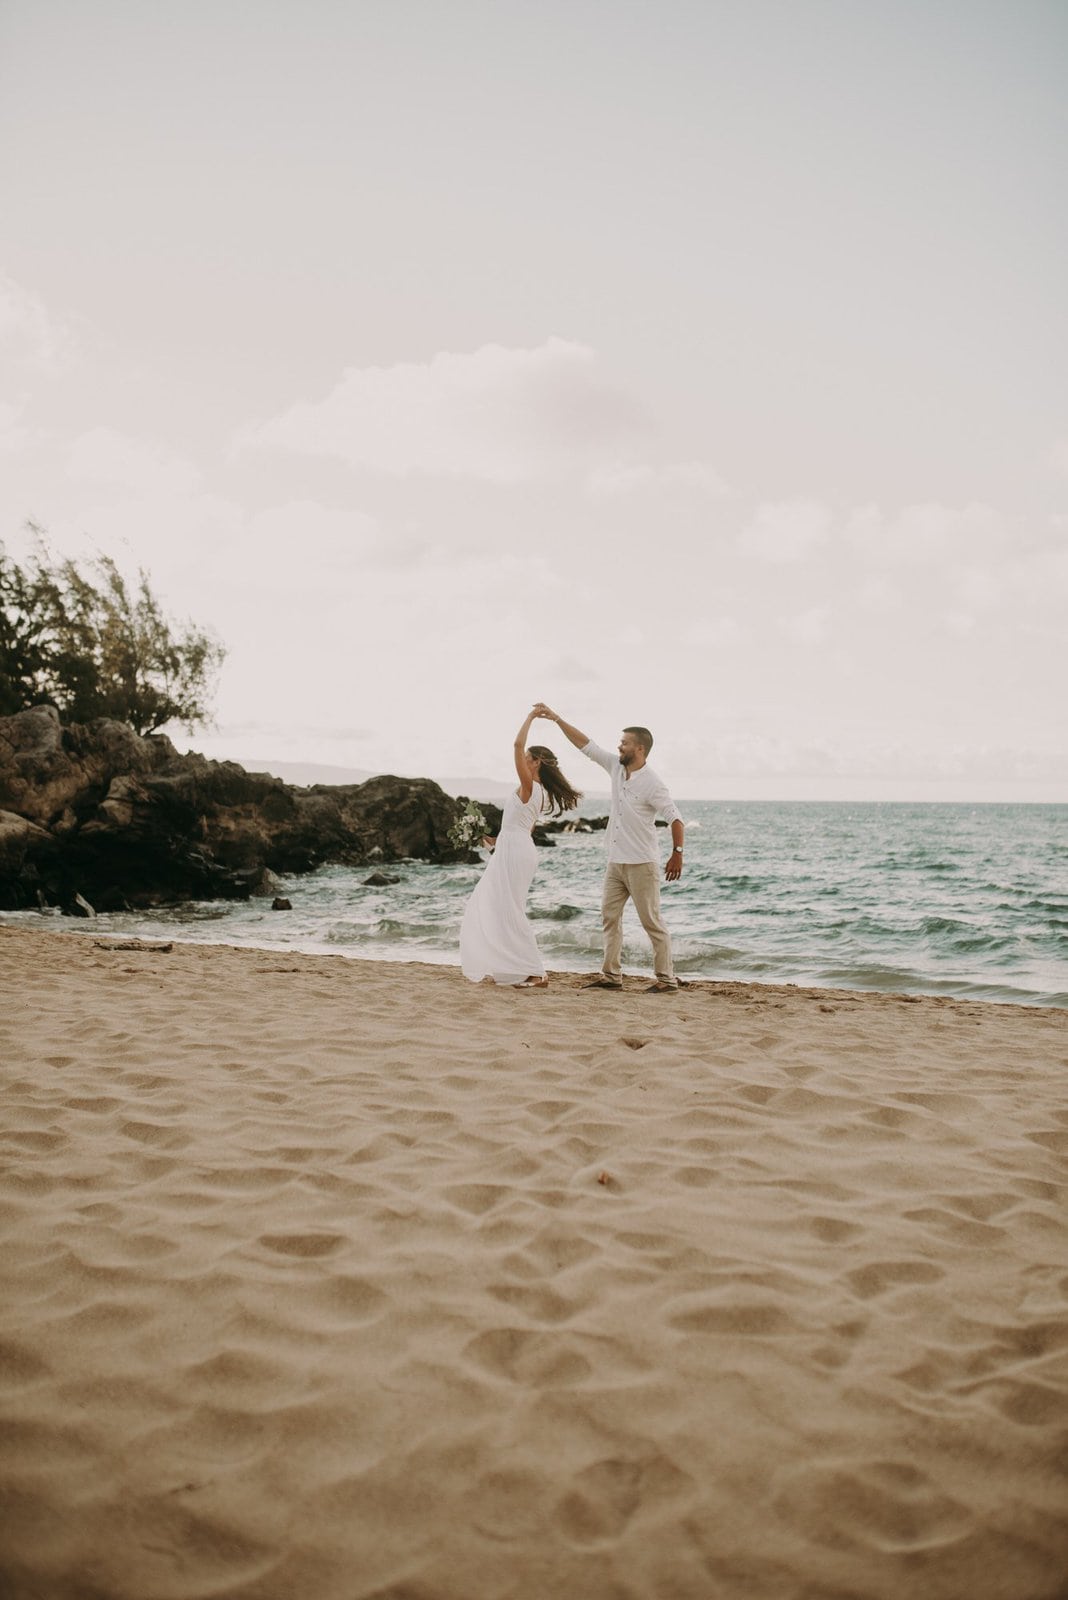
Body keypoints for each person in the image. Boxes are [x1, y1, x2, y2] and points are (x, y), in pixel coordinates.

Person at [533, 704, 684, 992]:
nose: (619, 746)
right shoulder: (616, 767)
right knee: (609, 917)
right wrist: (557, 719)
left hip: (641, 864)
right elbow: (586, 745)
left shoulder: (653, 783)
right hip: (616, 863)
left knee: (651, 923)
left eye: (624, 743)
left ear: (639, 749)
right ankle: (611, 977)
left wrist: (677, 854)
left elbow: (675, 818)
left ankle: (666, 980)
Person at [460, 709, 582, 988]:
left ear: (536, 762)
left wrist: (531, 717)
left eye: (528, 758)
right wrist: (491, 840)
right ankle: (514, 967)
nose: (523, 760)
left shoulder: (531, 786)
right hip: (515, 848)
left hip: (516, 852)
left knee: (510, 910)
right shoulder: (536, 792)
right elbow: (521, 828)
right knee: (500, 907)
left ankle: (536, 972)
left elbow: (516, 745)